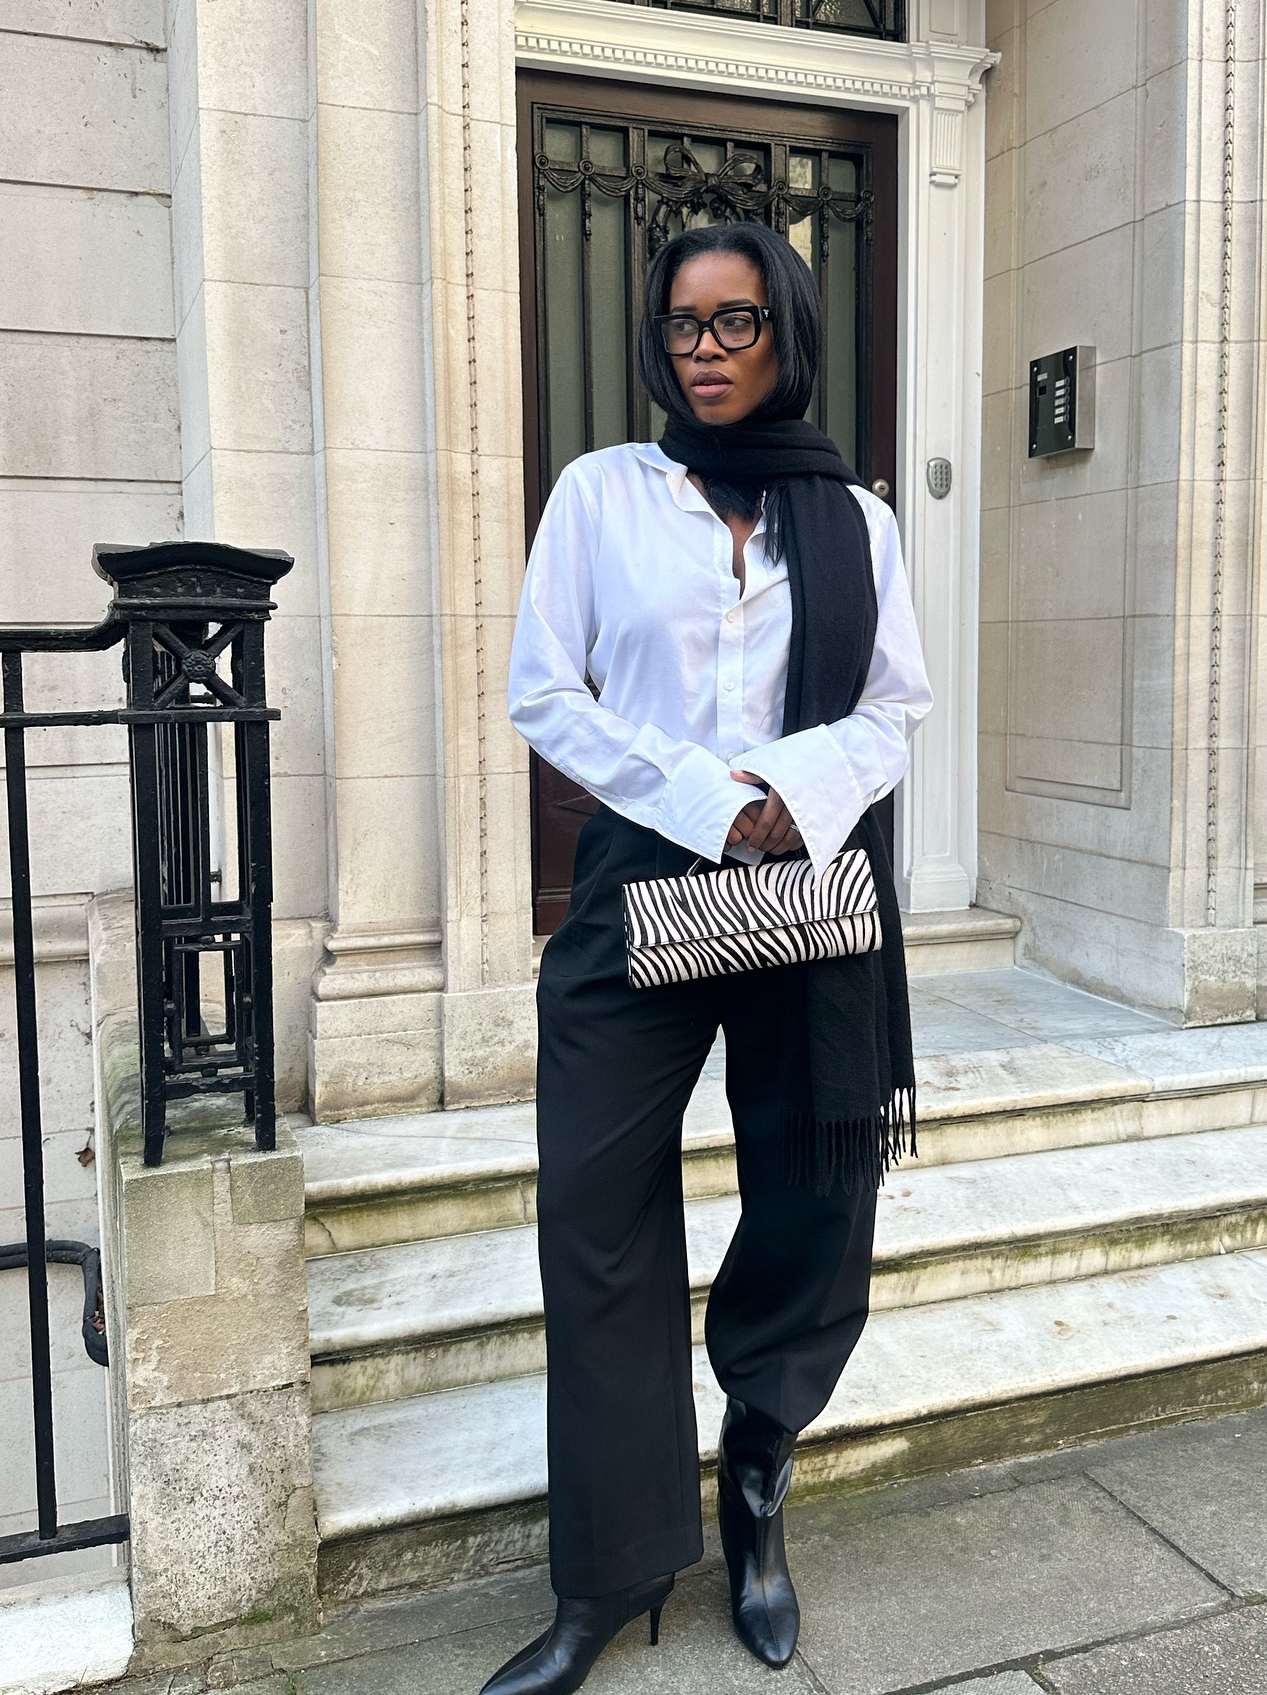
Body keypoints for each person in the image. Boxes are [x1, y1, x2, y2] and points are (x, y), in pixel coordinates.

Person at [489, 220, 932, 1694]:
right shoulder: (603, 494)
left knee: (816, 1186)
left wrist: (784, 801)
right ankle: (612, 1572)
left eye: (737, 321)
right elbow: (543, 689)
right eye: (683, 325)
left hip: (806, 880)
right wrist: (705, 800)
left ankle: (756, 1475)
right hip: (643, 881)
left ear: (786, 330)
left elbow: (893, 706)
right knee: (596, 1207)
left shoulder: (857, 518)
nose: (707, 348)